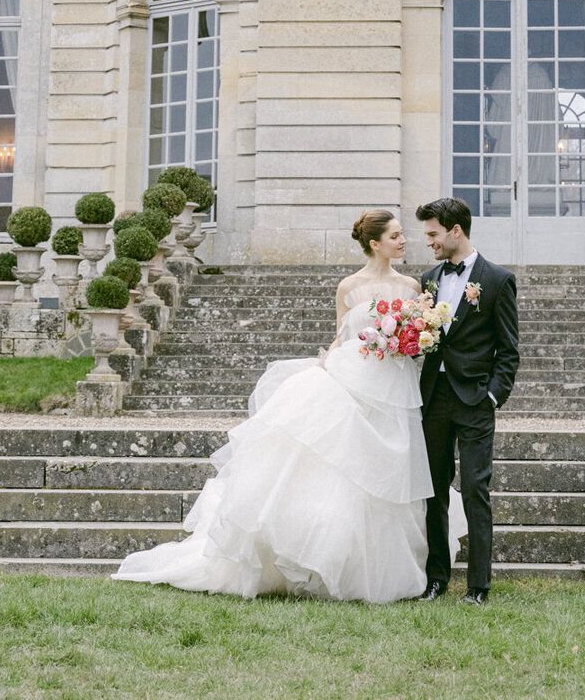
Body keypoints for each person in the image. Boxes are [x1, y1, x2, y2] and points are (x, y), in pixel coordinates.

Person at [112, 208, 463, 603]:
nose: (403, 241)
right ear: (374, 243)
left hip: (396, 387)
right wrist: (329, 361)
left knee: (390, 473)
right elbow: (340, 337)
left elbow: (420, 336)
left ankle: (390, 568)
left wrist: (407, 341)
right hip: (354, 379)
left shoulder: (413, 288)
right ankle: (330, 564)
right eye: (396, 236)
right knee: (346, 471)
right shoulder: (348, 287)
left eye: (403, 235)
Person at [416, 197, 520, 605]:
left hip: (475, 399)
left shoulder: (497, 280)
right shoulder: (427, 279)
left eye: (433, 234)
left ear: (455, 231)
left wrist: (493, 395)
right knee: (434, 492)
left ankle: (478, 587)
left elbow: (509, 349)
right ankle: (436, 579)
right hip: (434, 399)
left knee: (475, 489)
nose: (429, 242)